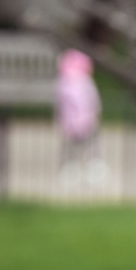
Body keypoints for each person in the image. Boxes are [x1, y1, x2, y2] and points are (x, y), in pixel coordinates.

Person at [55, 49, 106, 185]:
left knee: (69, 148)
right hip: (88, 121)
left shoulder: (62, 83)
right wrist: (95, 115)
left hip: (68, 122)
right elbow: (94, 101)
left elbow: (59, 104)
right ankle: (93, 169)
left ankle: (70, 170)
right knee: (91, 148)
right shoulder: (87, 82)